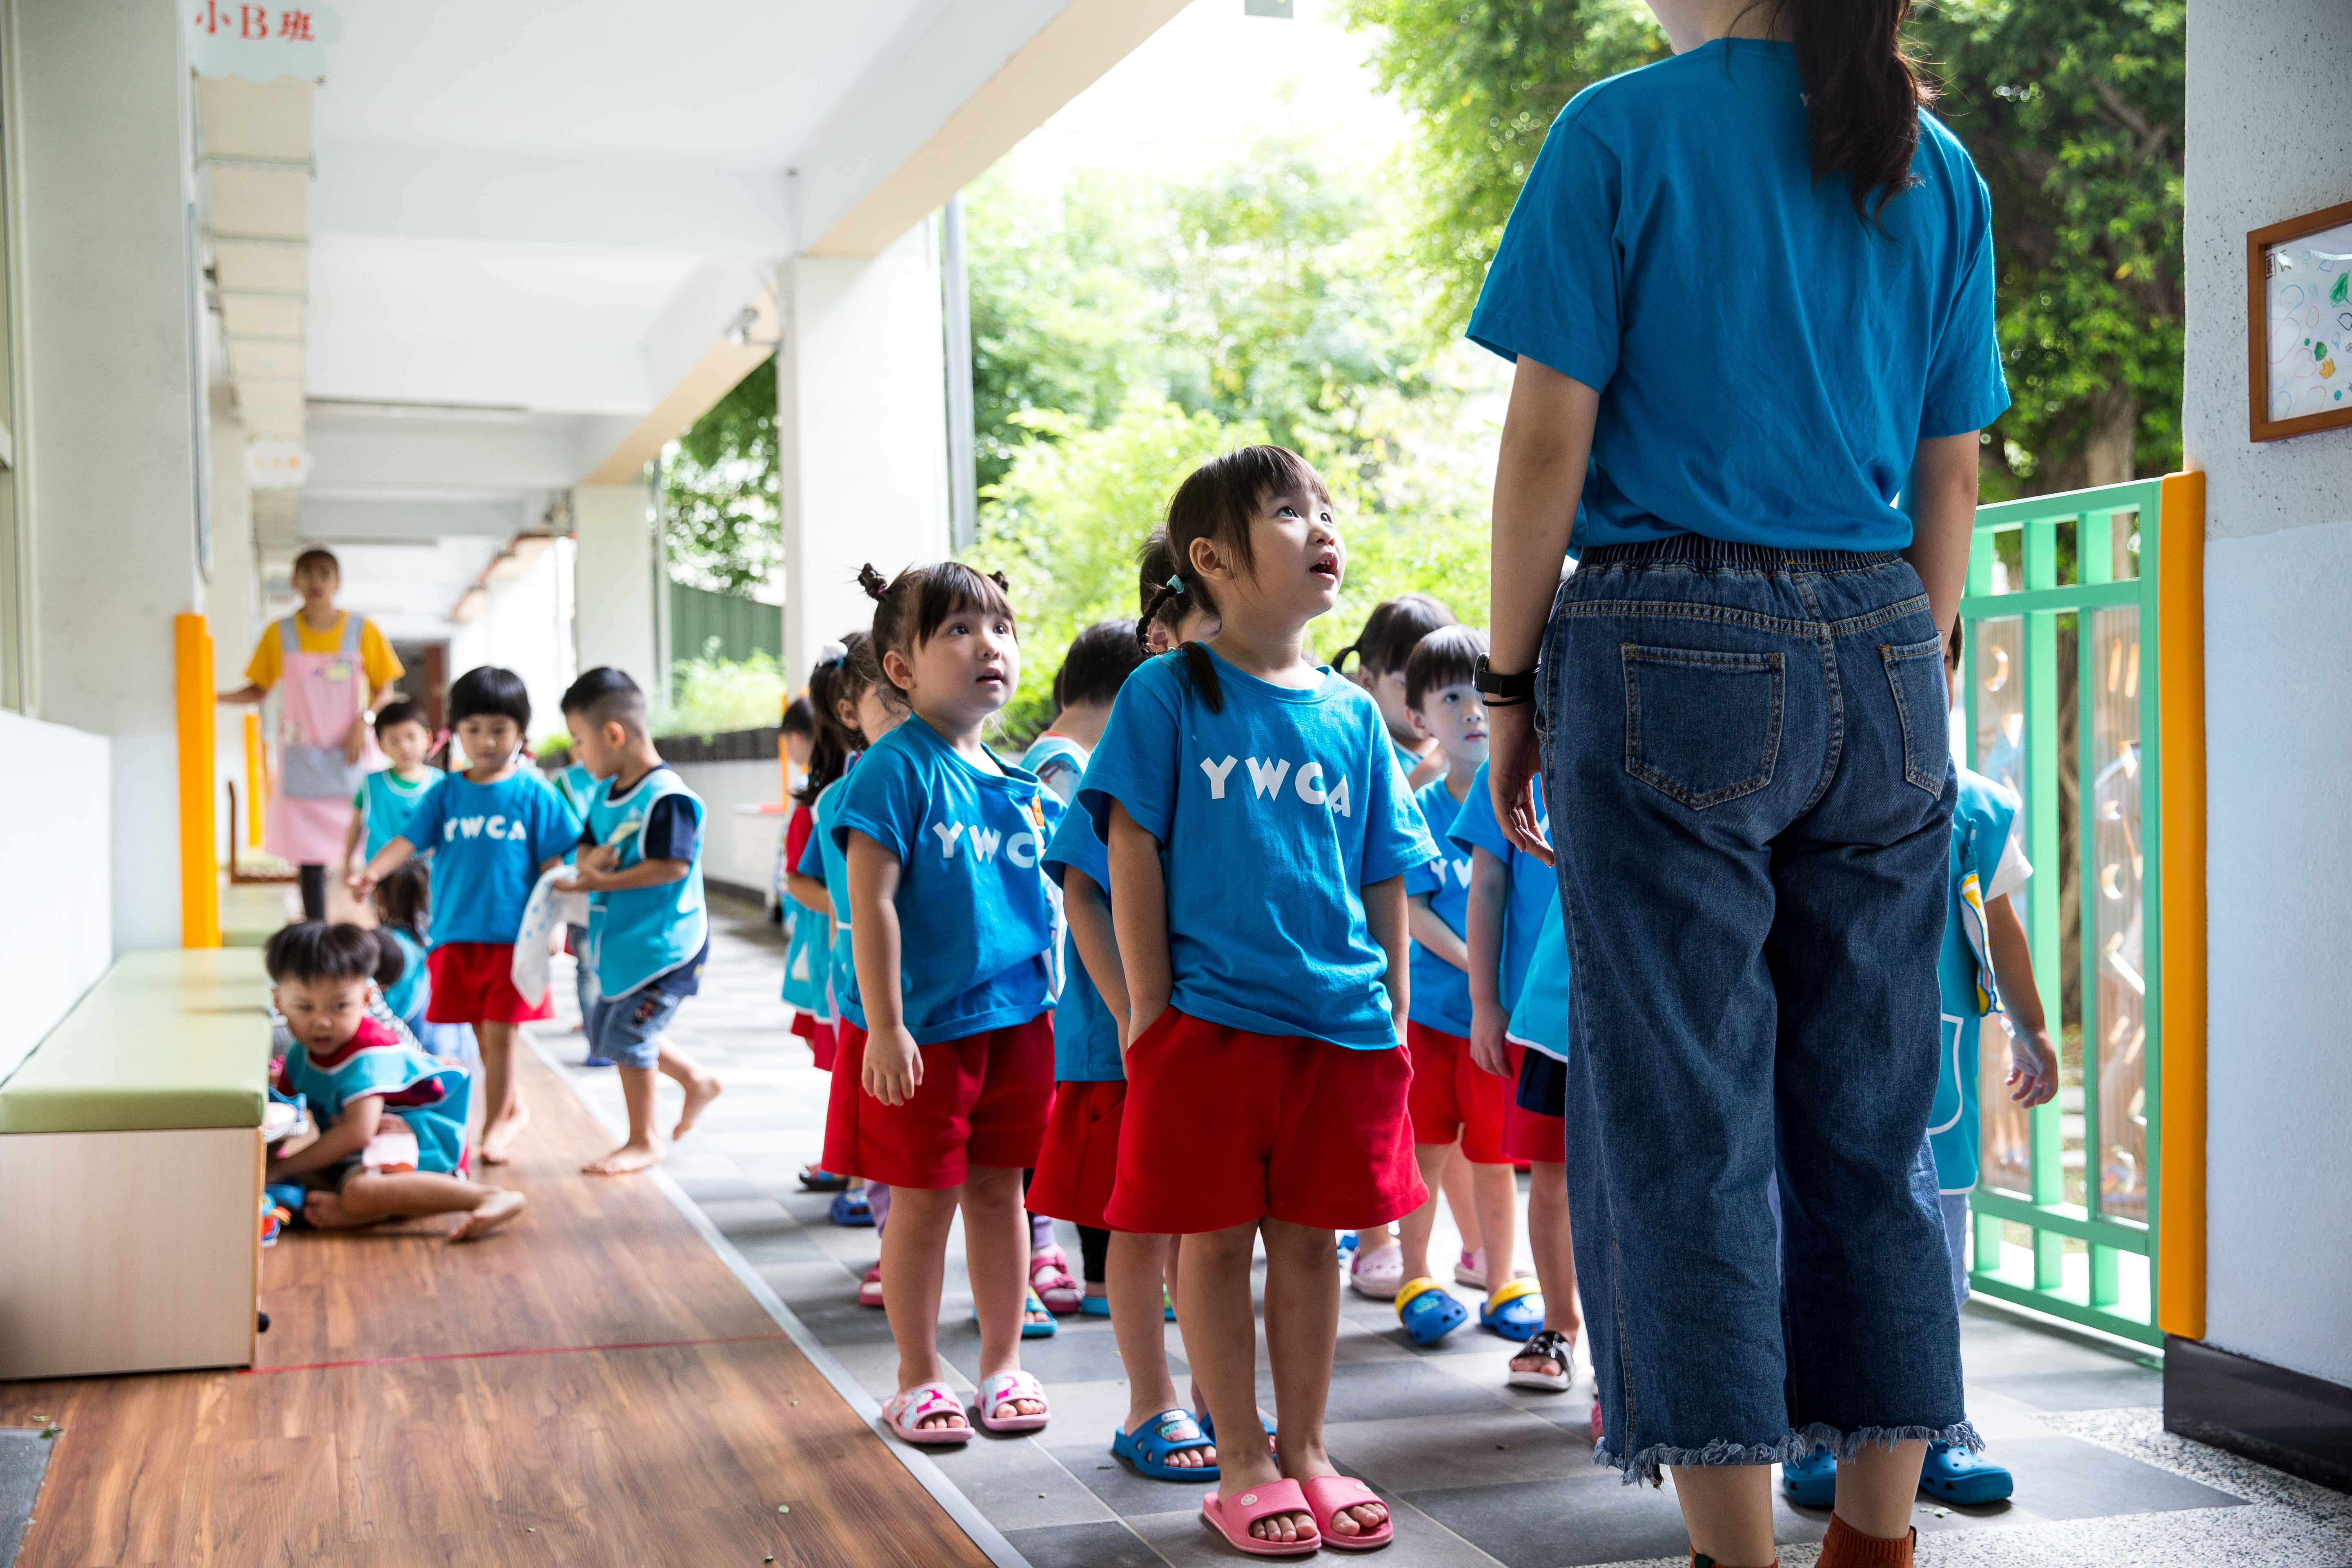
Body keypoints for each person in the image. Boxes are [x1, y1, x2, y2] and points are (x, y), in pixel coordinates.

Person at [1473, 0, 2009, 1557]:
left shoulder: (1619, 129)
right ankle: (1877, 1536)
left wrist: (1506, 683)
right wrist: (1904, 668)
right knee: (1868, 1117)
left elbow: (1543, 441)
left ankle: (1731, 1550)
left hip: (1665, 643)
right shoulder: (1933, 160)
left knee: (1680, 1119)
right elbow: (1950, 465)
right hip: (1886, 634)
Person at [1092, 445, 1434, 1553]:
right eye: (1288, 512)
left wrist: (1390, 1003)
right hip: (1210, 1021)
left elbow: (1384, 869)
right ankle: (1238, 1458)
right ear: (1214, 561)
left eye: (1325, 508)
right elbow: (1129, 841)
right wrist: (1149, 1002)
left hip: (1339, 1024)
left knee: (1311, 1244)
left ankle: (1309, 1450)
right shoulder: (1168, 691)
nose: (1321, 526)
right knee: (1216, 1239)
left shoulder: (1349, 716)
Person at [1781, 618, 2059, 1510]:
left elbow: (2002, 927)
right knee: (1816, 1252)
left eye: (1929, 653)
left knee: (1935, 1264)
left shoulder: (1973, 803)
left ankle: (1940, 1430)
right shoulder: (1800, 792)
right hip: (1817, 1074)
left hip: (1933, 1085)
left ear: (1949, 665)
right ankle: (1814, 1438)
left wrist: (2033, 1027)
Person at [820, 564, 1061, 1443]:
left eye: (999, 628)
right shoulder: (894, 771)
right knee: (923, 1201)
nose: (987, 645)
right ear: (901, 668)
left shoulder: (1011, 775)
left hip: (1017, 1023)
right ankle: (918, 1376)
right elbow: (870, 903)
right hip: (924, 1034)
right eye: (957, 631)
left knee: (1003, 1197)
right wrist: (884, 1026)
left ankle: (1003, 1364)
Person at [1027, 641, 1214, 1479]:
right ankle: (1151, 1403)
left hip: (1199, 1033)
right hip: (1125, 1045)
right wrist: (1137, 1014)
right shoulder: (1111, 755)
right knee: (1143, 1225)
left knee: (1202, 1230)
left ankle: (1219, 1402)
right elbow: (1082, 886)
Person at [350, 667, 581, 1165]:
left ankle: (495, 1127)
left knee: (501, 1036)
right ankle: (513, 1109)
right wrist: (371, 874)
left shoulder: (534, 793)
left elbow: (553, 869)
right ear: (455, 733)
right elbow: (409, 841)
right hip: (455, 934)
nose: (486, 741)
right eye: (473, 729)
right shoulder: (447, 794)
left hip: (513, 938)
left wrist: (556, 927)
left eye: (499, 729)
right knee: (483, 1035)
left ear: (522, 732)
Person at [1389, 625, 1541, 1348]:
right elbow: (1410, 911)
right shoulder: (1418, 813)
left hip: (1497, 1022)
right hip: (1431, 1021)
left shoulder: (1522, 800)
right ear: (1419, 719)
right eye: (1453, 697)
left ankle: (1504, 1278)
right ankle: (1416, 1275)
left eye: (1485, 693)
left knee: (1494, 1159)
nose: (1475, 710)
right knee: (1421, 1153)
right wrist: (1476, 970)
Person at [1017, 619, 1147, 1319]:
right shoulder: (1068, 769)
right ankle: (1101, 1282)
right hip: (1080, 992)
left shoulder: (1040, 758)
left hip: (1068, 993)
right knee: (1101, 1143)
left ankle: (1096, 1276)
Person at [554, 668, 726, 1176]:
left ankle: (643, 1140)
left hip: (667, 948)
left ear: (614, 734)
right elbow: (587, 841)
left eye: (580, 741)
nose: (577, 754)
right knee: (613, 1030)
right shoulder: (607, 792)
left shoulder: (667, 796)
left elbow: (672, 865)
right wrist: (589, 863)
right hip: (629, 943)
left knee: (628, 1037)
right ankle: (696, 1080)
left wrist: (600, 882)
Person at [264, 921, 523, 1240]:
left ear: (367, 998)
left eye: (340, 1006)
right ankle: (360, 1207)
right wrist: (268, 1164)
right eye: (304, 1007)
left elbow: (357, 1132)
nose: (322, 1022)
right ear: (278, 1002)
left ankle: (487, 1197)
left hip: (421, 1142)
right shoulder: (298, 1055)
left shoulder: (369, 1052)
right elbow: (284, 1119)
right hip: (364, 1153)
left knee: (357, 1192)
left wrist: (282, 1168)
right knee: (304, 1178)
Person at [797, 633, 909, 1254]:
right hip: (868, 993)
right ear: (851, 713)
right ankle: (893, 1253)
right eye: (889, 698)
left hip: (947, 1001)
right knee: (885, 1131)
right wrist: (849, 917)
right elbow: (812, 879)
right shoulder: (841, 798)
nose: (908, 708)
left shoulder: (983, 780)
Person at [220, 547, 405, 919]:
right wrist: (210, 697)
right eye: (308, 573)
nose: (316, 581)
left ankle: (382, 926)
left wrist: (364, 720)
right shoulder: (280, 633)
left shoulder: (362, 630)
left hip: (351, 754)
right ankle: (316, 934)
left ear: (337, 583)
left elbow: (385, 687)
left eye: (324, 574)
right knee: (309, 856)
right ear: (295, 582)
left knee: (370, 840)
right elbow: (259, 689)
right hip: (303, 757)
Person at [1334, 594, 1456, 791]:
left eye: (1447, 685)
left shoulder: (1464, 737)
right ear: (1368, 681)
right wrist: (1440, 759)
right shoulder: (1365, 752)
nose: (1430, 696)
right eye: (1408, 684)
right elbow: (1389, 816)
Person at [345, 700, 441, 870]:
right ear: (381, 746)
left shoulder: (441, 783)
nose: (405, 747)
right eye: (394, 741)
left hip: (429, 872)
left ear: (428, 738)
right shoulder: (371, 784)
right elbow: (355, 826)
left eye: (411, 737)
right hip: (380, 873)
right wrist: (347, 864)